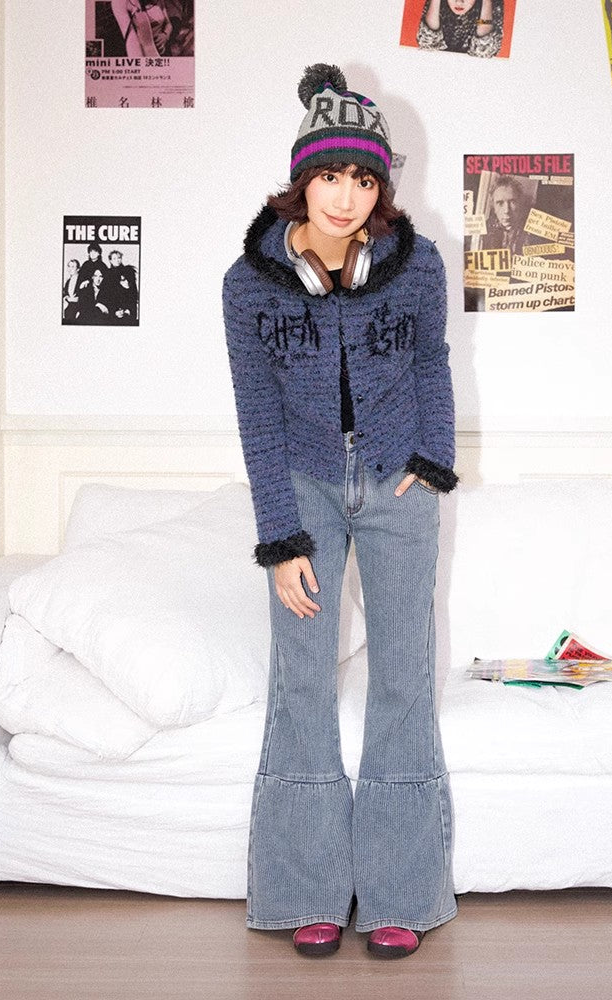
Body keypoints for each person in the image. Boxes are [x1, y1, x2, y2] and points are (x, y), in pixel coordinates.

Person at [222, 64, 459, 961]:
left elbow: (433, 365)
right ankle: (306, 890)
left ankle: (399, 892)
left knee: (403, 677)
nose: (346, 196)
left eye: (364, 179)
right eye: (330, 176)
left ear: (381, 189)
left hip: (398, 486)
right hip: (305, 488)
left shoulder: (417, 264)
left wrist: (431, 463)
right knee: (304, 682)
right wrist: (280, 537)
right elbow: (256, 413)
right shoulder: (247, 285)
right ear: (301, 181)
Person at [417, 0, 504, 59]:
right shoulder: (440, 3)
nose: (459, 2)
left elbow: (483, 50)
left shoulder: (489, 5)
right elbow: (428, 43)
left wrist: (486, 2)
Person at [104, 250, 139, 324]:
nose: (117, 260)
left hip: (127, 308)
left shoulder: (128, 272)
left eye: (119, 258)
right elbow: (106, 295)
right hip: (113, 310)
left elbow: (133, 292)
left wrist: (128, 310)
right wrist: (113, 311)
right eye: (114, 258)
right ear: (110, 261)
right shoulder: (108, 274)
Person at [62, 259, 81, 323]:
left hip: (78, 309)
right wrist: (66, 297)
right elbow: (65, 293)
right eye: (69, 266)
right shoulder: (68, 281)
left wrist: (77, 299)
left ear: (78, 269)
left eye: (73, 267)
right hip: (68, 309)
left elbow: (86, 297)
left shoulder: (82, 281)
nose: (70, 269)